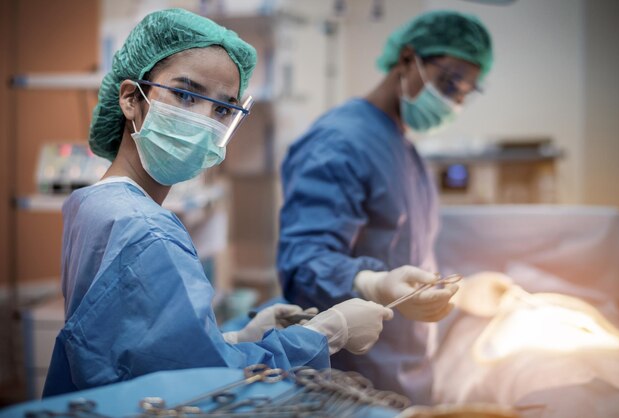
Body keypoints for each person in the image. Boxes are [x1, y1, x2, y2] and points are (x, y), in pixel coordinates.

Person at [43, 8, 393, 397]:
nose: (205, 120)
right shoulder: (147, 232)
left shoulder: (95, 204)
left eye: (223, 109)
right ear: (130, 98)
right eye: (184, 94)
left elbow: (138, 352)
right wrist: (326, 333)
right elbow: (202, 384)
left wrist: (239, 336)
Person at [277, 10, 493, 404]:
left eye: (464, 92)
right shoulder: (339, 143)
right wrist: (374, 283)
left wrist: (460, 292)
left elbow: (399, 250)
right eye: (449, 83)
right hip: (353, 382)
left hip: (403, 377)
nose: (454, 101)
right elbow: (304, 264)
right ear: (408, 59)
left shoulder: (401, 145)